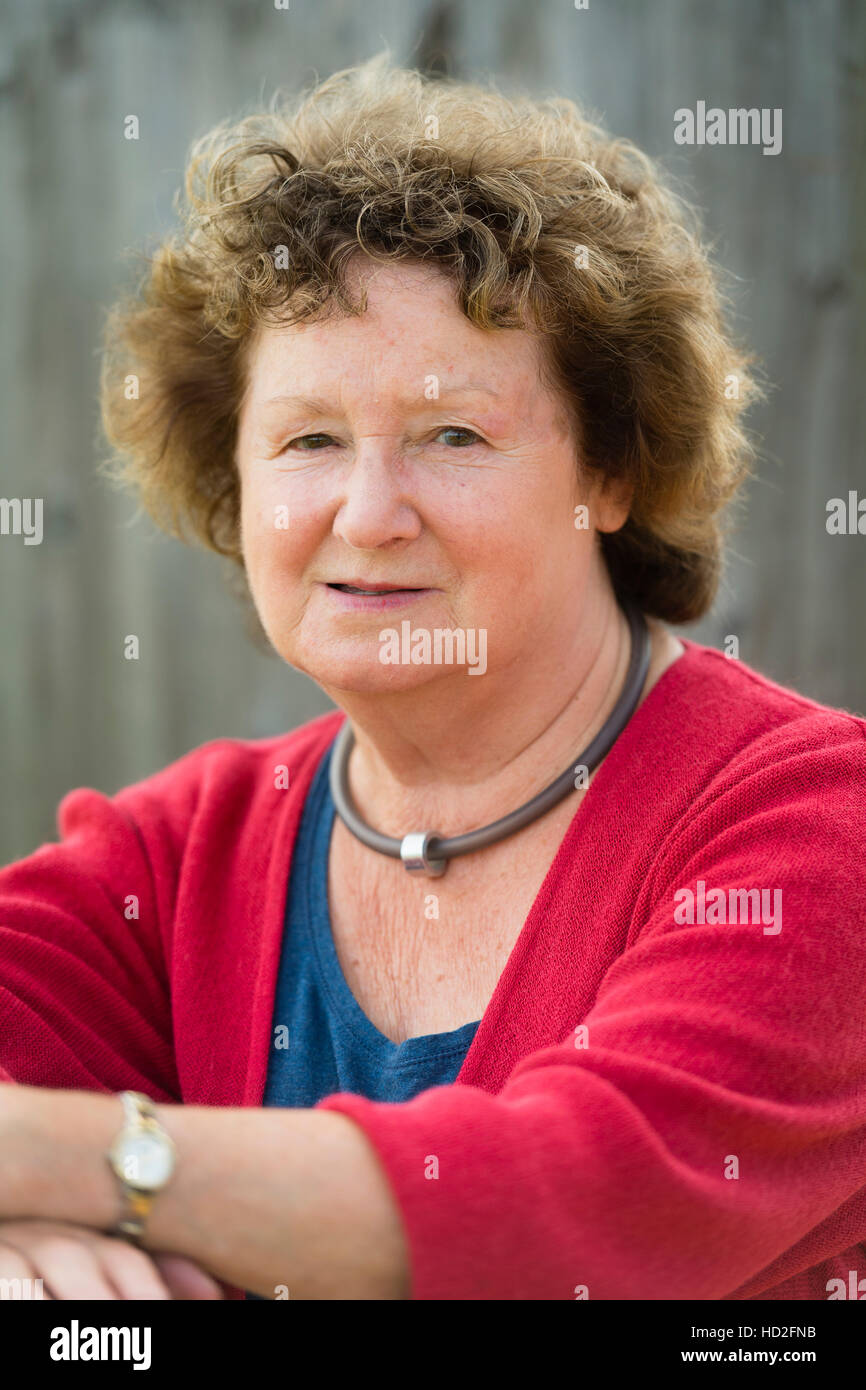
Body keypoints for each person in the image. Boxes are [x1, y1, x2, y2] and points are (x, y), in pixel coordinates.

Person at [1, 54, 864, 1302]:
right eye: (306, 440)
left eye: (452, 435)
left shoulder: (812, 827)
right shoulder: (179, 855)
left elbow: (560, 1213)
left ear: (607, 475)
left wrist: (83, 1168)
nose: (367, 511)